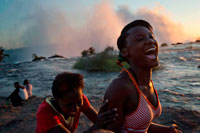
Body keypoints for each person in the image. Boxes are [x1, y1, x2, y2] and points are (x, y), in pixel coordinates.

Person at [103, 20, 182, 133]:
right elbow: (107, 131)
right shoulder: (121, 87)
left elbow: (139, 126)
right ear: (125, 52)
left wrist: (167, 130)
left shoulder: (147, 82)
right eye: (140, 39)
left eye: (151, 37)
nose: (150, 41)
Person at [36, 72, 117, 133]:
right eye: (69, 105)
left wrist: (105, 117)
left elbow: (99, 121)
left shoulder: (77, 98)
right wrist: (97, 126)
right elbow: (98, 124)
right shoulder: (45, 112)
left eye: (79, 102)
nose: (75, 108)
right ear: (57, 100)